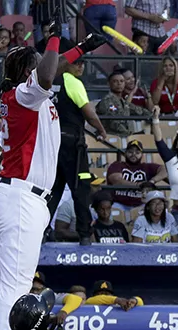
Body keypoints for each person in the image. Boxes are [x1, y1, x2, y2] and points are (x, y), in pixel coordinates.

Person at [0, 26, 105, 330]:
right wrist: (52, 43)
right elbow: (49, 73)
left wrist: (79, 47)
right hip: (20, 198)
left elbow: (55, 70)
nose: (43, 69)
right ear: (26, 72)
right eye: (35, 65)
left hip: (14, 195)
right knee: (14, 292)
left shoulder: (24, 96)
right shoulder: (26, 93)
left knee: (7, 289)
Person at [47, 38, 108, 246]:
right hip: (73, 144)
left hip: (51, 143)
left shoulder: (48, 81)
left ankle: (43, 230)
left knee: (52, 190)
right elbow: (88, 112)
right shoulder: (72, 82)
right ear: (67, 63)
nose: (81, 66)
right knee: (81, 187)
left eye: (83, 63)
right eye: (77, 62)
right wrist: (101, 130)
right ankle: (84, 234)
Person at [106, 139, 163, 211]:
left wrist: (152, 181)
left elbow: (165, 170)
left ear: (142, 154)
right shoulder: (117, 165)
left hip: (141, 205)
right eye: (130, 152)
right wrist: (138, 185)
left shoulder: (147, 166)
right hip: (118, 204)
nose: (133, 154)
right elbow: (116, 180)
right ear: (125, 153)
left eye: (137, 152)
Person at [96, 71, 152, 136]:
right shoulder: (107, 101)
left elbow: (139, 111)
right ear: (109, 84)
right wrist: (131, 134)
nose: (119, 83)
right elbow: (114, 122)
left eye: (121, 81)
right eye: (115, 81)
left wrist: (152, 117)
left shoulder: (123, 102)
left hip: (123, 137)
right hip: (110, 138)